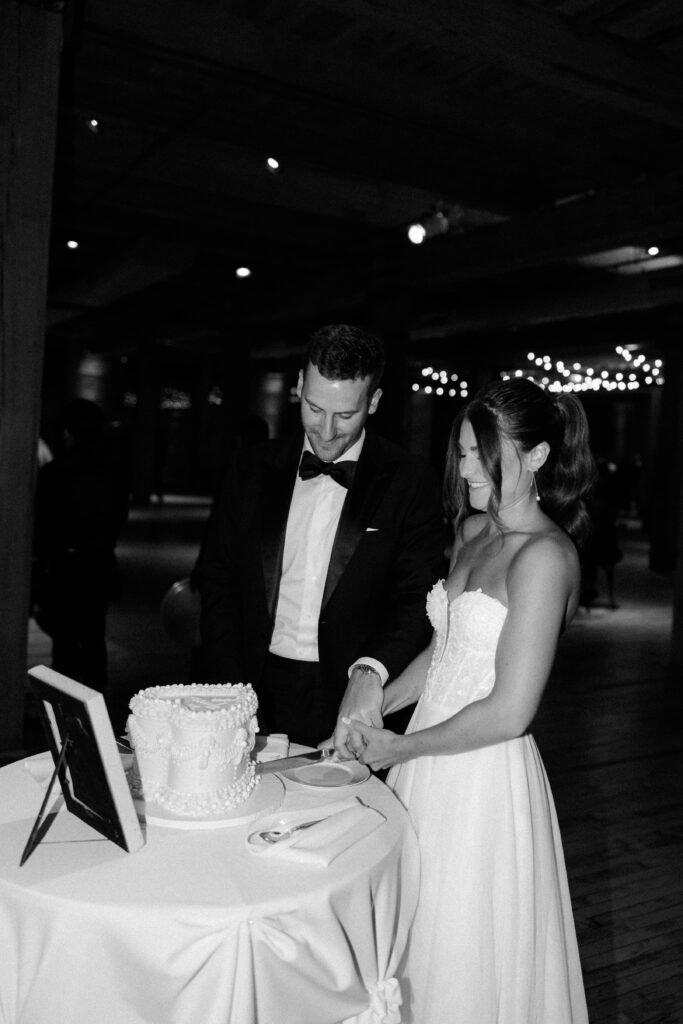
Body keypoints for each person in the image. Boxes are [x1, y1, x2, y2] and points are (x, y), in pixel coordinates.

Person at [345, 378, 594, 1023]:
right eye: (460, 453)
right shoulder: (473, 530)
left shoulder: (544, 558)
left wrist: (399, 745)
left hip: (482, 777)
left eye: (482, 453)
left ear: (536, 457)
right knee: (409, 936)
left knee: (458, 951)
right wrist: (375, 710)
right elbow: (446, 652)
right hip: (425, 757)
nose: (465, 469)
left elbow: (511, 710)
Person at [196, 323, 445, 747]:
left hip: (348, 693)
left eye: (345, 415)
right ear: (298, 386)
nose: (326, 432)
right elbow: (219, 581)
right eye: (314, 408)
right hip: (251, 682)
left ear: (375, 401)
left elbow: (416, 597)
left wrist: (370, 671)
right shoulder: (250, 470)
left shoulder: (410, 481)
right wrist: (230, 692)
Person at [33, 398, 129, 692]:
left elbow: (43, 527)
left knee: (64, 644)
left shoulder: (54, 473)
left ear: (68, 433)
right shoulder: (112, 473)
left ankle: (65, 708)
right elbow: (118, 519)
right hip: (97, 563)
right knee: (93, 640)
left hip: (64, 566)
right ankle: (95, 707)